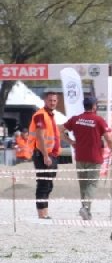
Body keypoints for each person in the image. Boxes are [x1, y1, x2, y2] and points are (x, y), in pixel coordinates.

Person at [65, 96, 111, 220]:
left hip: (80, 157)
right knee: (92, 184)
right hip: (94, 157)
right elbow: (109, 138)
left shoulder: (75, 119)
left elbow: (60, 130)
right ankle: (85, 207)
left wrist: (71, 142)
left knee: (83, 185)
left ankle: (86, 211)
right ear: (94, 106)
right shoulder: (98, 120)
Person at [29, 91, 61, 220]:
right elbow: (40, 137)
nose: (52, 103)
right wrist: (45, 156)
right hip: (42, 155)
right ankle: (41, 214)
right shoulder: (41, 115)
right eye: (50, 100)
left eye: (54, 100)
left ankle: (45, 213)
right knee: (43, 184)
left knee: (48, 185)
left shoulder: (50, 115)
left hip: (51, 155)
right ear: (45, 101)